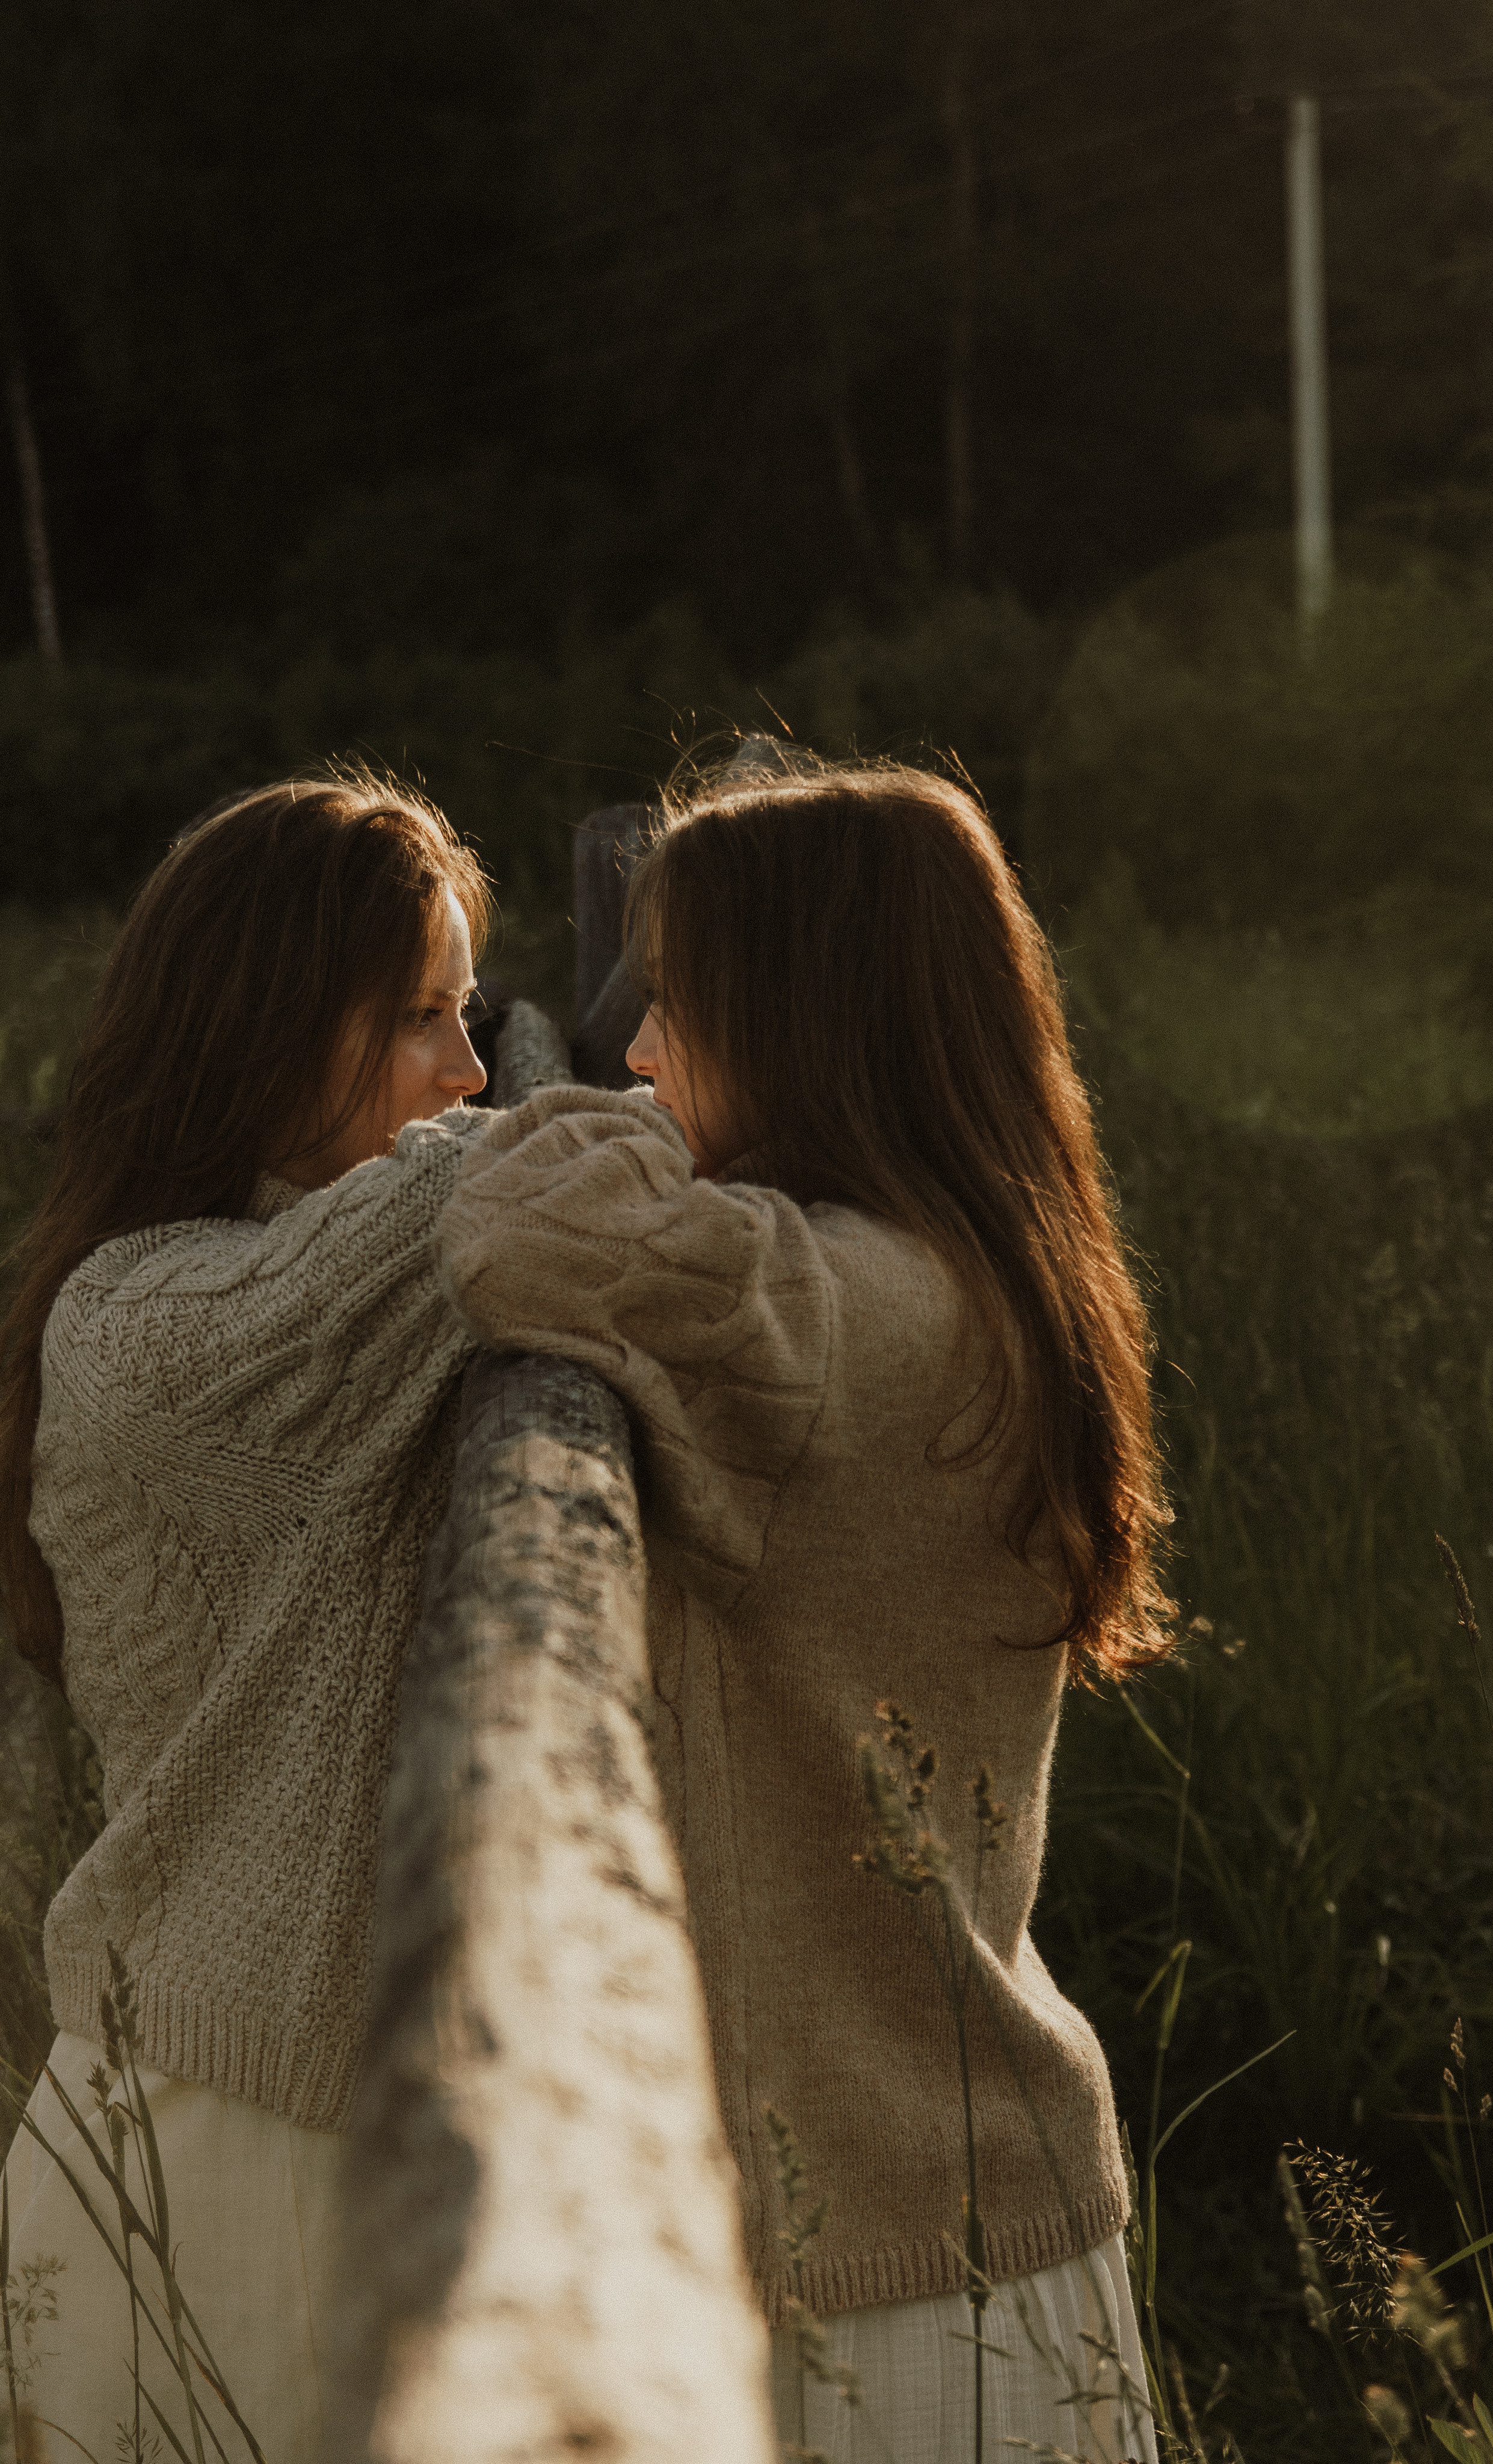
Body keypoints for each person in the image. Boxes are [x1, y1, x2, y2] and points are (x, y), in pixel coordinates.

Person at [437, 754, 1172, 2463]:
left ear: (806, 1018)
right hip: (980, 2211)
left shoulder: (813, 1301)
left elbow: (506, 1225)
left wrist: (616, 1138)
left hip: (857, 2276)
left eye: (678, 1007)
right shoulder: (985, 1266)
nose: (630, 1054)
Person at [0, 774, 538, 2462]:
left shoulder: (281, 1277)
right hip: (218, 2155)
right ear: (255, 1032)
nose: (462, 1070)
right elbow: (513, 1173)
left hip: (297, 2130)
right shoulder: (150, 1319)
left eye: (473, 1017)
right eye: (415, 1020)